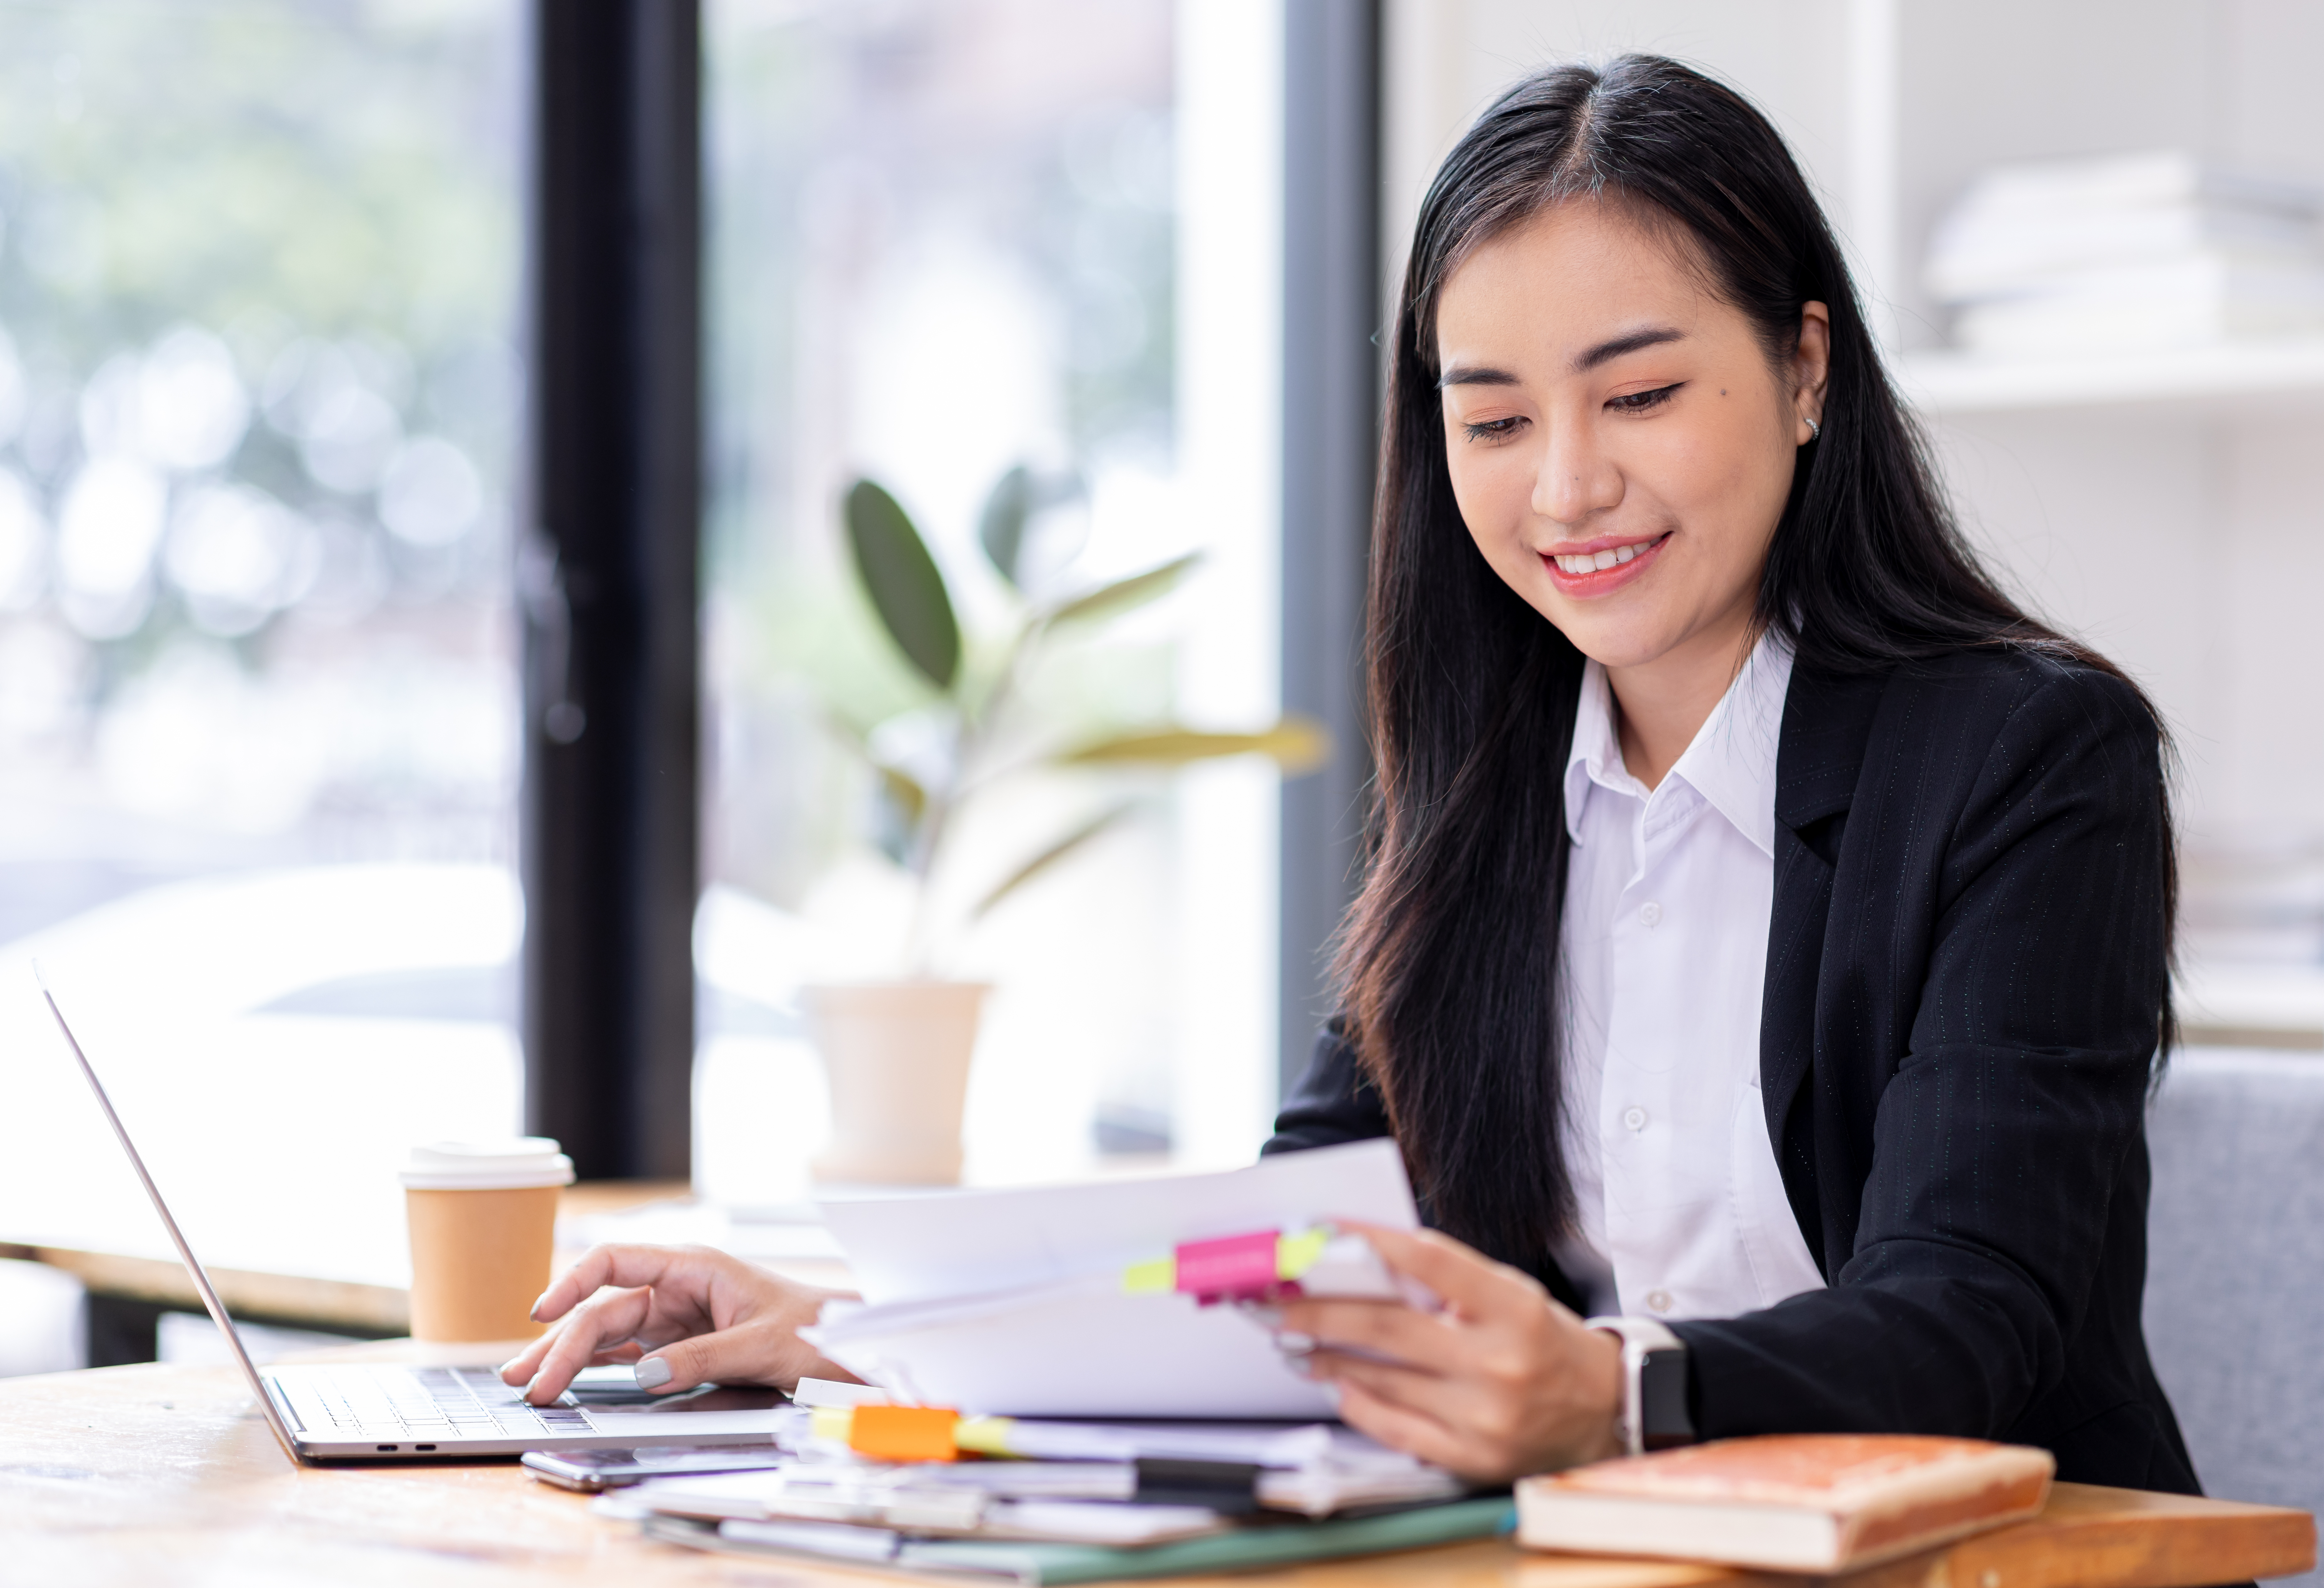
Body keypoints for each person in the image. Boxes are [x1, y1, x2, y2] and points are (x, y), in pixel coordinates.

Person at [502, 54, 2200, 1496]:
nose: (1570, 487)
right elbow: (1282, 1247)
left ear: (1808, 368)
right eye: (1497, 420)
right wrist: (848, 1330)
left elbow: (1977, 1309)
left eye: (1645, 393)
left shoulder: (2028, 762)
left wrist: (1610, 1396)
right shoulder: (1483, 781)